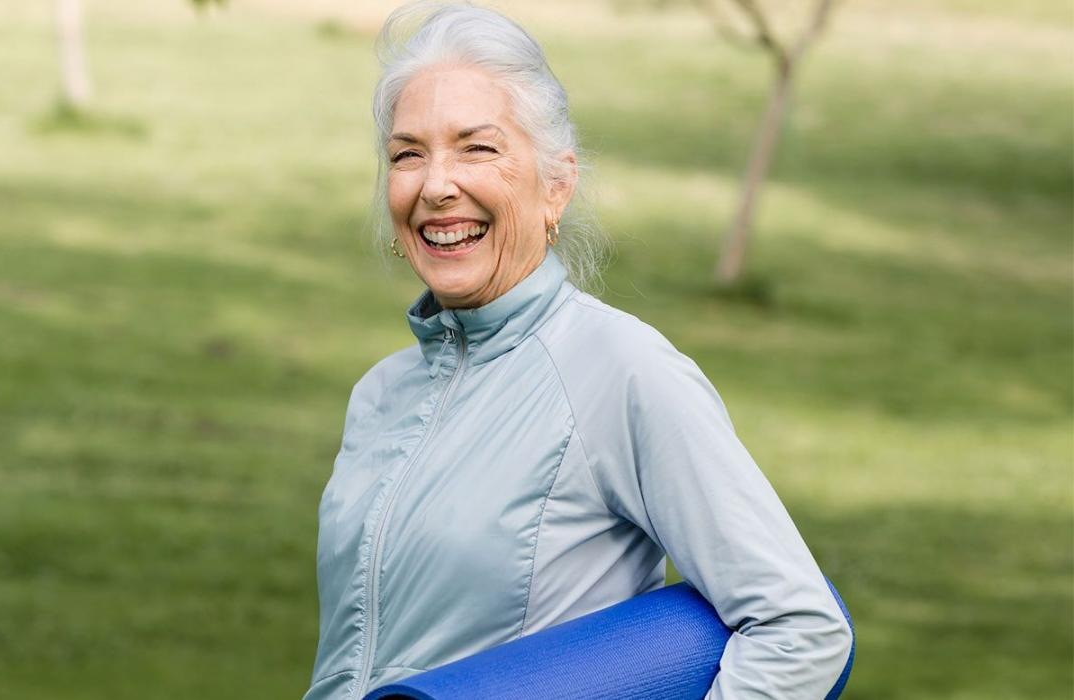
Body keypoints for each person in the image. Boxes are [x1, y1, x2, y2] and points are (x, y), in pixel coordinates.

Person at [307, 4, 852, 698]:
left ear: (555, 187)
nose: (436, 185)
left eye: (478, 148)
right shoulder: (380, 394)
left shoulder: (623, 371)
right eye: (408, 154)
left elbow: (802, 627)